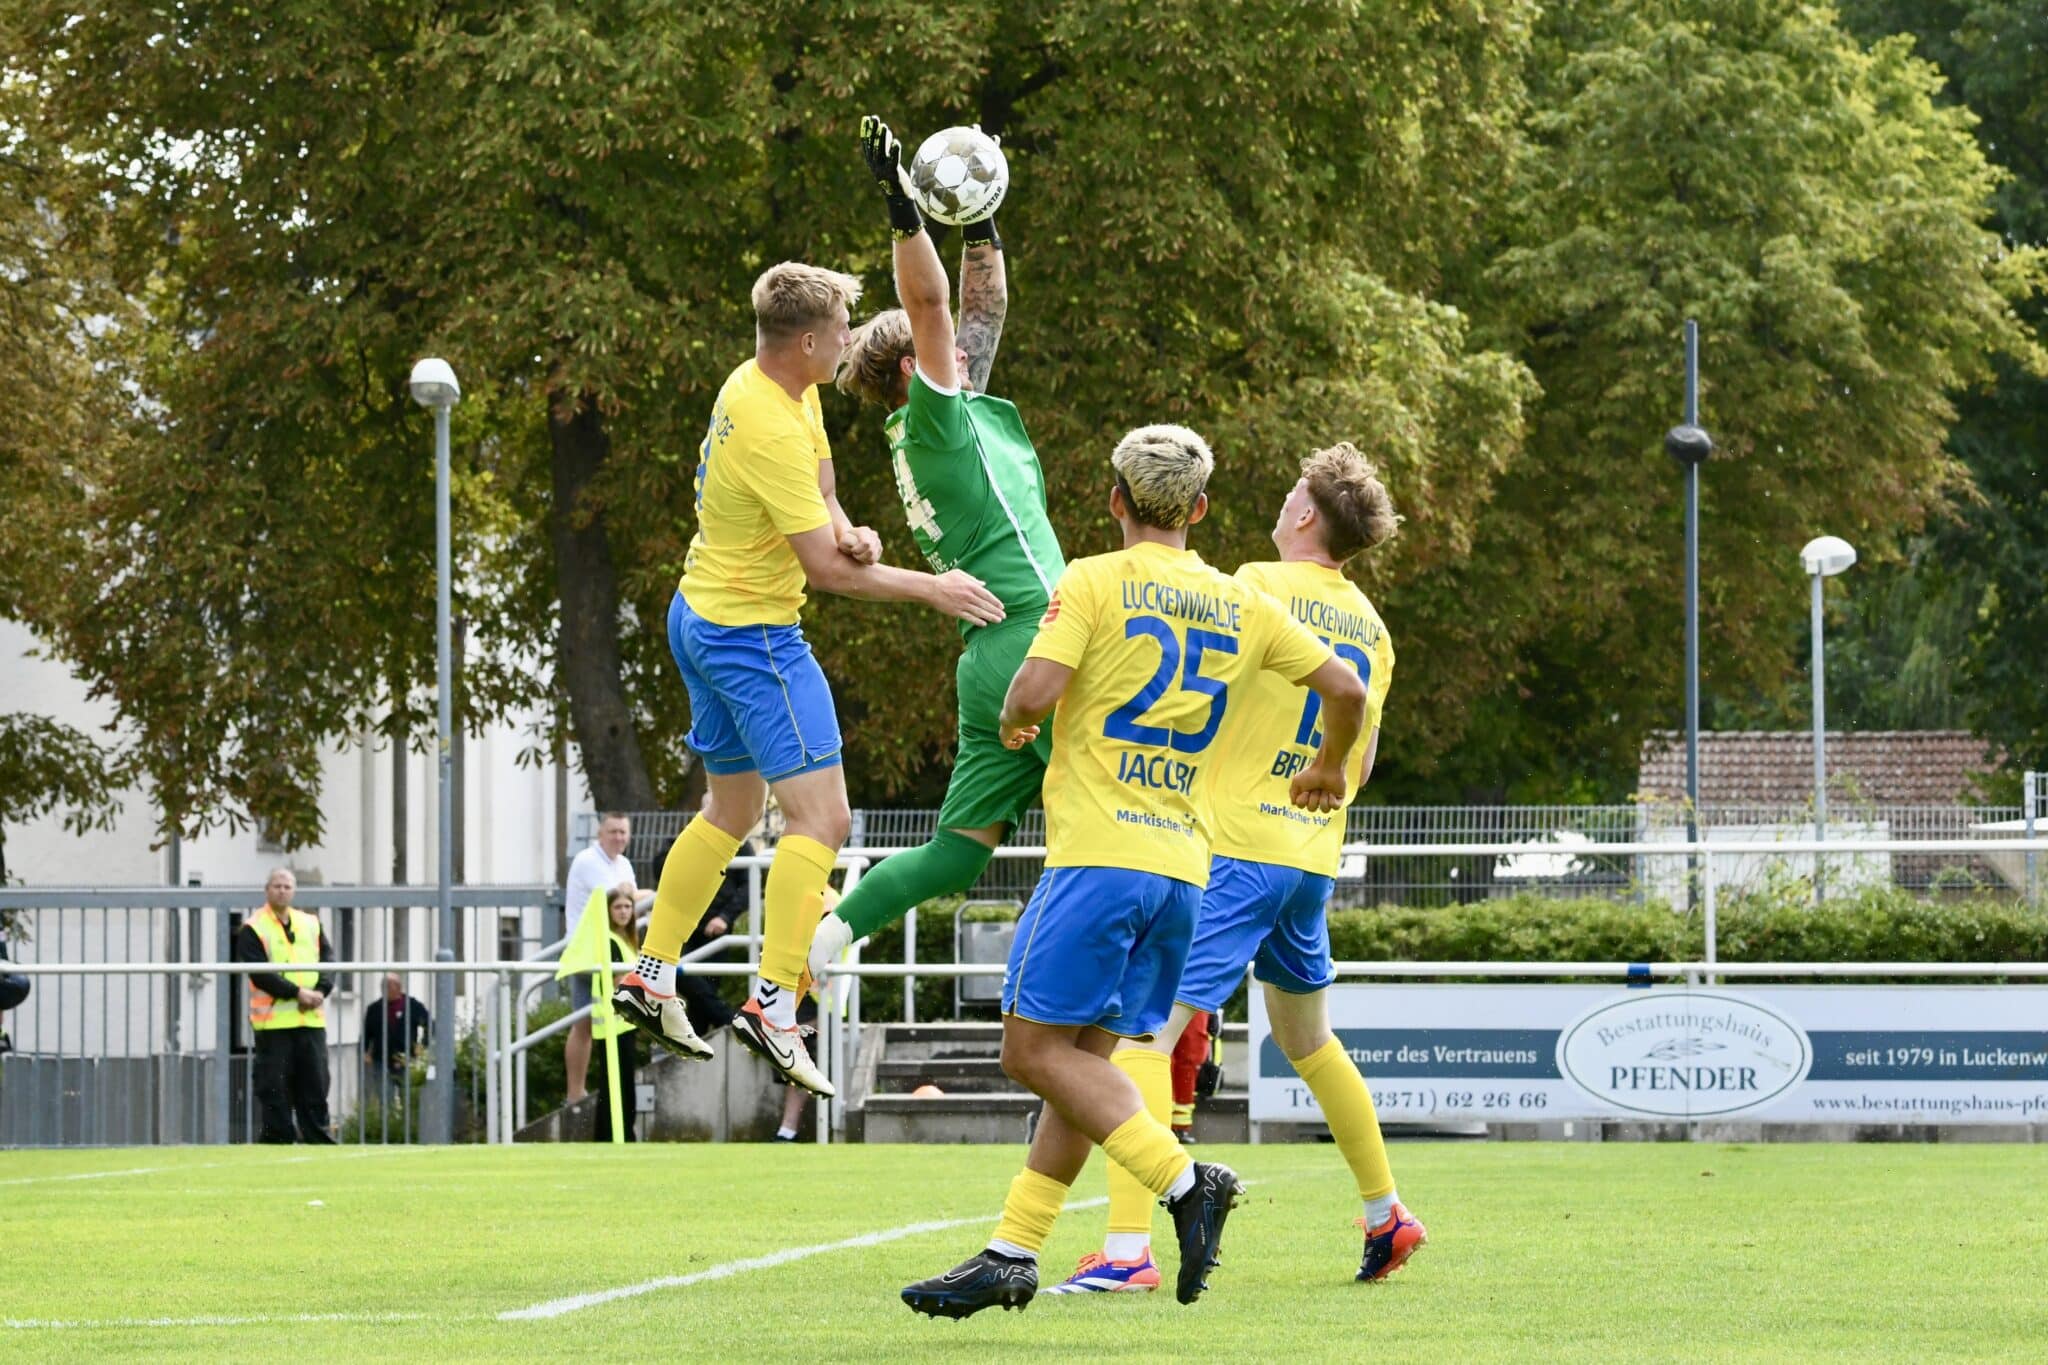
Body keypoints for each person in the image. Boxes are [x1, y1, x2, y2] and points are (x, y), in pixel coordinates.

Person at [900, 424, 1368, 1318]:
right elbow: (1345, 689)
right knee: (1084, 1065)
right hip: (1183, 874)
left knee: (1030, 1051)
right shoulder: (1242, 603)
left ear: (1114, 500)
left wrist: (1012, 724)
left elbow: (1030, 695)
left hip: (1100, 859)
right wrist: (1330, 768)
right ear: (1199, 510)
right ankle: (1013, 1249)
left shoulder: (1090, 579)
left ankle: (1186, 1182)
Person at [612, 258, 1005, 1098]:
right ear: (805, 340)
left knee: (732, 808)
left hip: (701, 611)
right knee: (823, 818)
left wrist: (848, 521)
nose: (850, 346)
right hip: (751, 636)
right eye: (838, 335)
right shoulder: (771, 425)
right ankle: (774, 1003)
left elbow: (820, 491)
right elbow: (827, 573)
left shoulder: (776, 386)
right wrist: (931, 588)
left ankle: (651, 973)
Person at [1047, 441, 1422, 1294]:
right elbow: (1357, 764)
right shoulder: (1372, 626)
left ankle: (1126, 1249)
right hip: (1313, 858)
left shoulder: (1251, 582)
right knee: (1309, 1040)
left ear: (1301, 514)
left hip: (1235, 846)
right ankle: (1385, 1211)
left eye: (1289, 488)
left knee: (1141, 1032)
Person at [806, 114, 1065, 983]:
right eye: (937, 350)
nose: (957, 348)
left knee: (957, 852)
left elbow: (980, 308)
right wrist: (902, 208)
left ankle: (828, 935)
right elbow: (935, 304)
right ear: (916, 370)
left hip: (988, 656)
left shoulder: (937, 424)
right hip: (1039, 639)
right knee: (1136, 805)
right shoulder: (936, 421)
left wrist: (981, 212)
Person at [233, 868, 336, 1144]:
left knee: (315, 1085)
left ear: (294, 891)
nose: (282, 891)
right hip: (273, 1023)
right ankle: (277, 1141)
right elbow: (260, 973)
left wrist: (320, 991)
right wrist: (296, 993)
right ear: (267, 890)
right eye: (277, 886)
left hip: (310, 1020)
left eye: (287, 886)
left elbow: (329, 962)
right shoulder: (253, 927)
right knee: (274, 1088)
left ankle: (319, 1141)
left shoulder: (310, 923)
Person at [564, 812, 635, 1103]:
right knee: (586, 1023)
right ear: (600, 833)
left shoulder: (623, 863)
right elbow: (619, 899)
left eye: (623, 832)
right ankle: (576, 1092)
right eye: (613, 831)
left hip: (610, 950)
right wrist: (652, 894)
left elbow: (628, 900)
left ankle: (589, 1091)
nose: (619, 837)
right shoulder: (588, 861)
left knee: (593, 1023)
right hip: (589, 954)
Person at [591, 886, 645, 1142]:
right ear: (608, 911)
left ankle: (619, 1135)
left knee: (623, 1086)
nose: (623, 912)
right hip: (613, 1024)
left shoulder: (627, 940)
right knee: (615, 1088)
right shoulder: (610, 941)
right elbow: (617, 982)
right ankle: (615, 1136)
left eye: (627, 907)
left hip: (624, 1023)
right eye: (618, 907)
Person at [360, 973, 430, 1084]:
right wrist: (365, 1052)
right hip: (381, 1059)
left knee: (407, 1093)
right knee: (385, 1095)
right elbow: (366, 1033)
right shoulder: (374, 1009)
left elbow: (429, 1025)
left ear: (398, 987)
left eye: (387, 986)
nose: (384, 989)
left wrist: (422, 1045)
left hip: (406, 1058)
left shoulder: (413, 1005)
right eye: (382, 986)